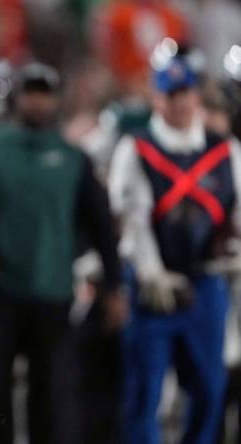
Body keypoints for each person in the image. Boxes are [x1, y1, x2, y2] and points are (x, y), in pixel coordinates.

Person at [0, 62, 126, 444]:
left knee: (52, 399)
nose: (37, 101)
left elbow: (101, 225)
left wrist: (114, 287)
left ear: (56, 99)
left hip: (53, 290)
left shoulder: (73, 158)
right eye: (30, 92)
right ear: (18, 97)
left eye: (44, 93)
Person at [109, 54, 241, 444]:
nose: (180, 103)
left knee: (209, 390)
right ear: (157, 99)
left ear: (198, 96)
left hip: (206, 286)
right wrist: (150, 272)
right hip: (154, 290)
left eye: (186, 93)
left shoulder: (226, 151)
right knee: (144, 394)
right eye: (171, 94)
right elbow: (133, 220)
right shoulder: (137, 150)